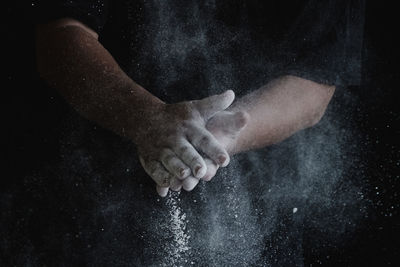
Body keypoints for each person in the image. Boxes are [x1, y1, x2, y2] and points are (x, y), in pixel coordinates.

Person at [29, 0, 364, 265]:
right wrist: (146, 117)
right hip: (95, 205)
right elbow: (60, 33)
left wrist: (223, 136)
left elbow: (316, 78)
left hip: (260, 216)